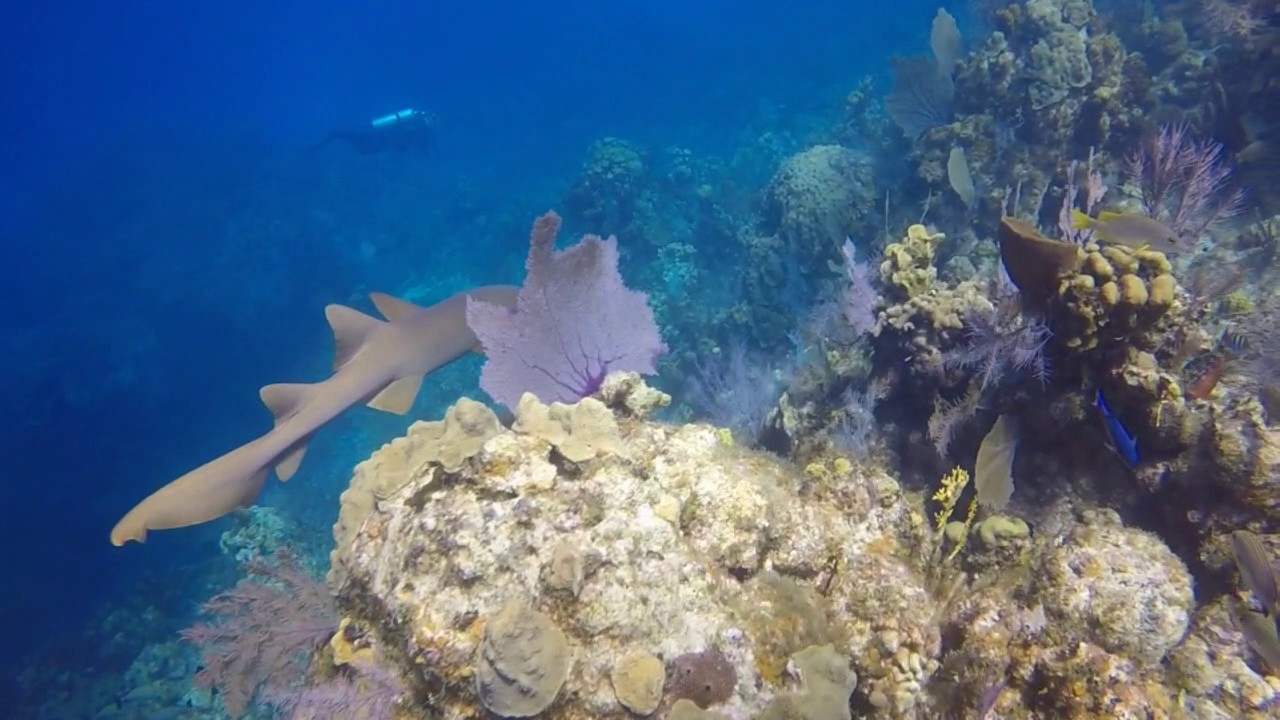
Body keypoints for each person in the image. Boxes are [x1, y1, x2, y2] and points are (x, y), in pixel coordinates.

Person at [311, 108, 436, 156]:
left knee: (363, 148)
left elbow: (406, 143)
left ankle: (324, 143)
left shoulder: (417, 126)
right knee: (362, 147)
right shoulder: (421, 130)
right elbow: (409, 143)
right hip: (382, 139)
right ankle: (322, 143)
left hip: (382, 138)